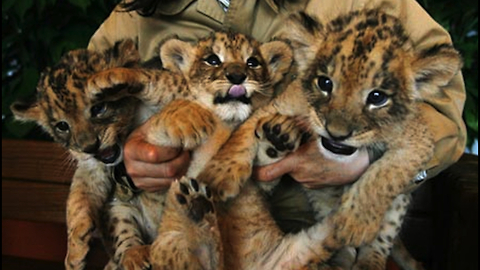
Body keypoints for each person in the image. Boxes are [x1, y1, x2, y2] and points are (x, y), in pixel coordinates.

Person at [87, 0, 467, 230]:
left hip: (306, 242)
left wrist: (364, 158)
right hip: (178, 239)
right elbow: (81, 109)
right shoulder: (137, 13)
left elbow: (443, 108)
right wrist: (122, 164)